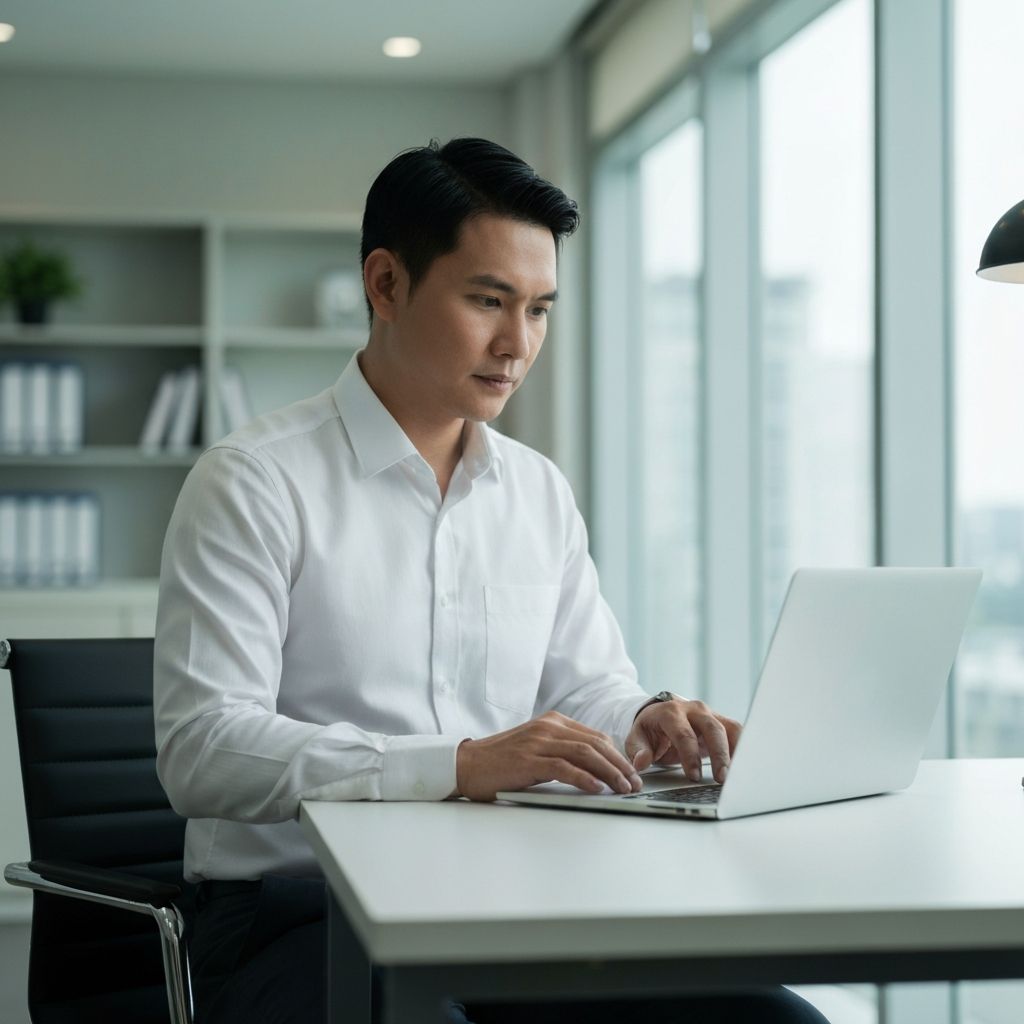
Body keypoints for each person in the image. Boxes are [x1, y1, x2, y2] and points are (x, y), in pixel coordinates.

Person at [153, 137, 829, 1024]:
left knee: (773, 1023)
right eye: (487, 301)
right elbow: (202, 750)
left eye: (541, 309)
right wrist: (461, 766)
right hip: (295, 917)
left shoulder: (537, 491)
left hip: (506, 899)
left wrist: (641, 718)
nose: (518, 344)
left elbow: (584, 686)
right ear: (386, 284)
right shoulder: (253, 481)